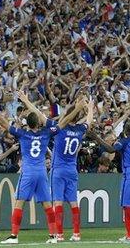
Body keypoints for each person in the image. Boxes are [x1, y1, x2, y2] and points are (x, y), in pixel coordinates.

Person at [0, 93, 59, 244]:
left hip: (28, 172)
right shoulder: (46, 133)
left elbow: (2, 122)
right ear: (39, 122)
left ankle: (14, 236)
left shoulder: (23, 134)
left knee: (19, 203)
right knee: (47, 205)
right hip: (41, 172)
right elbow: (58, 125)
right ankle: (53, 236)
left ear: (27, 123)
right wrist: (27, 101)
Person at [90, 117, 130, 242]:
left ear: (125, 130)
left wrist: (96, 138)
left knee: (127, 204)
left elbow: (111, 149)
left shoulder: (124, 141)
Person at [50, 98, 94, 242]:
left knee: (58, 202)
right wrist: (90, 107)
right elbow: (89, 121)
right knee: (73, 202)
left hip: (58, 170)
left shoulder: (60, 129)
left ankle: (60, 234)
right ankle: (76, 234)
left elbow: (64, 119)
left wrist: (74, 108)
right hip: (72, 170)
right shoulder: (80, 130)